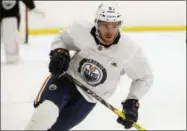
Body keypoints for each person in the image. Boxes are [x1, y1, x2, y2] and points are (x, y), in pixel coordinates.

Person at [24, 2, 154, 131]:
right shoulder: (81, 30)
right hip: (67, 79)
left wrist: (132, 101)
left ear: (120, 25)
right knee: (44, 115)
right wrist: (60, 52)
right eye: (104, 25)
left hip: (89, 98)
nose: (109, 31)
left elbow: (145, 77)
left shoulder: (129, 49)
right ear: (97, 23)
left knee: (56, 129)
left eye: (114, 25)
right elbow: (63, 37)